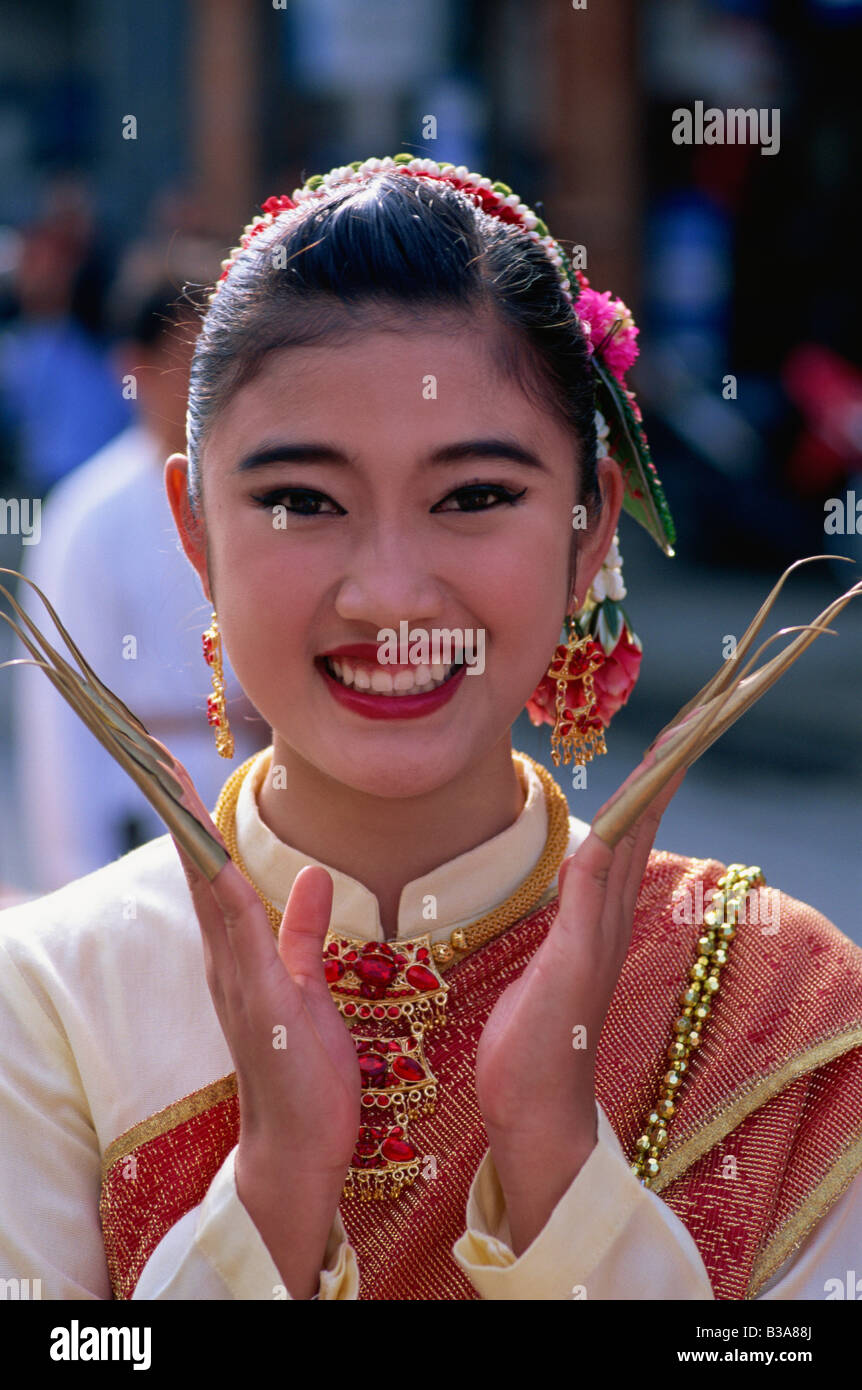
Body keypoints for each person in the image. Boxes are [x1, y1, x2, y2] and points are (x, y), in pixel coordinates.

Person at [0, 155, 860, 1302]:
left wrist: (558, 1167)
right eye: (302, 500)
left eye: (473, 498)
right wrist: (272, 1189)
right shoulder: (47, 1002)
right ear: (195, 529)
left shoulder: (778, 1006)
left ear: (589, 522)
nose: (390, 595)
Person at [11, 269, 267, 893]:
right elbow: (61, 719)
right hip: (148, 831)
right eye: (191, 366)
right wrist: (72, 884)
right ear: (135, 368)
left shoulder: (271, 499)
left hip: (270, 818)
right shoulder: (87, 517)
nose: (211, 391)